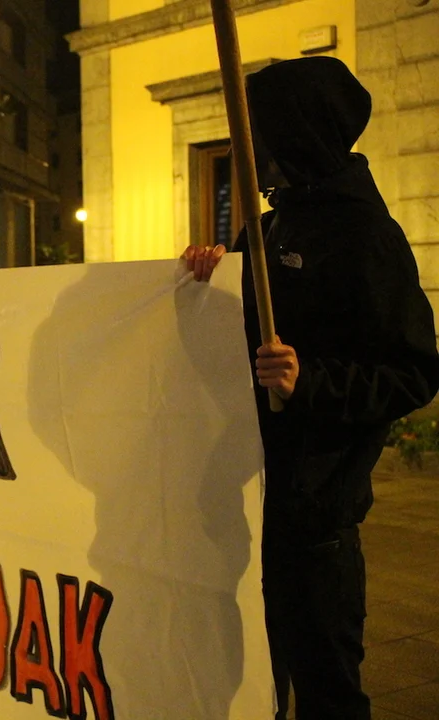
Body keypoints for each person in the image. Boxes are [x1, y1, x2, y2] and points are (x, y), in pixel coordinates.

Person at [186, 56, 439, 719]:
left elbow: (412, 371)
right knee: (255, 682)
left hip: (316, 519)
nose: (246, 148)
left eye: (256, 130)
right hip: (248, 505)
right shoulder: (268, 226)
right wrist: (207, 278)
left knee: (327, 692)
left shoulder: (366, 236)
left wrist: (310, 381)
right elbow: (235, 329)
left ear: (297, 133)